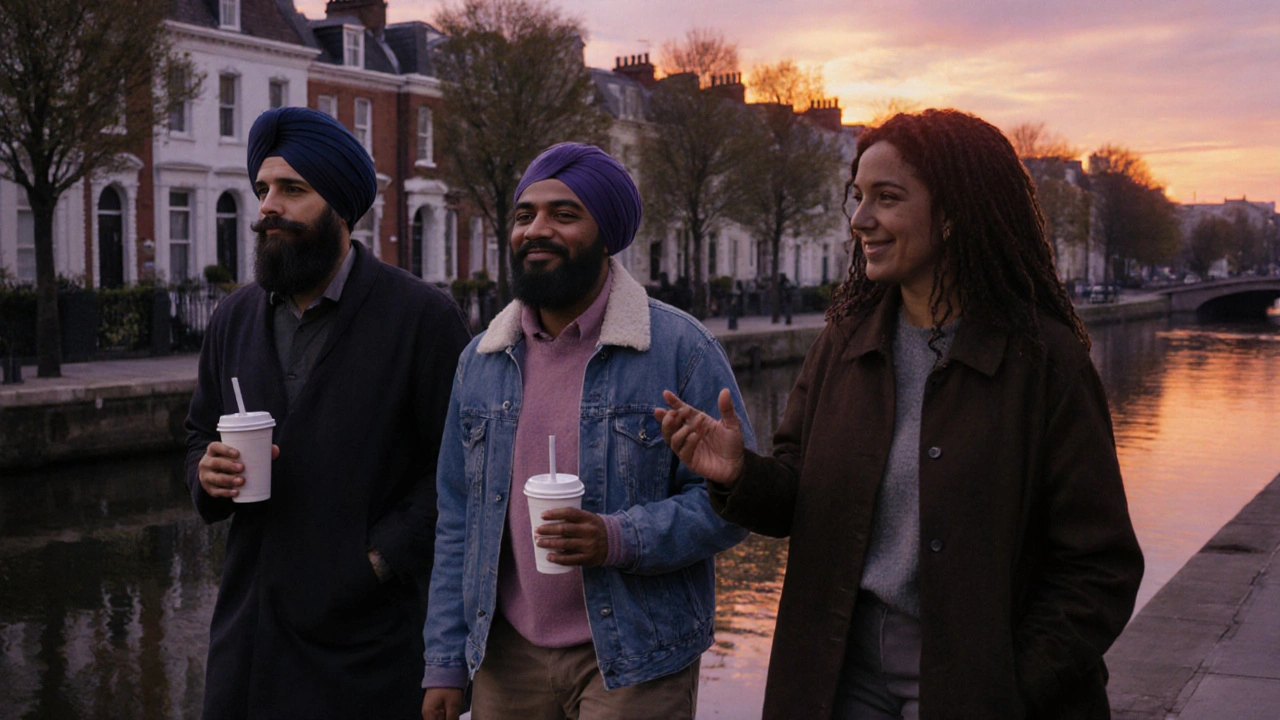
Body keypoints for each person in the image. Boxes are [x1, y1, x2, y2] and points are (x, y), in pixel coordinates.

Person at [657, 109, 1144, 719]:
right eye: (857, 197)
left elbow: (1100, 566)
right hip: (841, 666)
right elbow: (797, 496)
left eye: (886, 198)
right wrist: (738, 474)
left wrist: (1014, 684)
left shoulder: (1045, 362)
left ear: (953, 214)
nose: (861, 220)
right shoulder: (844, 339)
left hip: (975, 679)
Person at [421, 142, 752, 720]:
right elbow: (458, 518)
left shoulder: (680, 350)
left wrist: (616, 538)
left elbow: (730, 507)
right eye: (525, 215)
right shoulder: (481, 361)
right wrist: (445, 660)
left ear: (606, 238)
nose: (536, 229)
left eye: (564, 214)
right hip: (507, 657)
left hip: (636, 656)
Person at [185, 106, 471, 720]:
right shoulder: (233, 320)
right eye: (262, 189)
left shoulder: (421, 319)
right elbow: (196, 436)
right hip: (248, 644)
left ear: (341, 206)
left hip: (366, 652)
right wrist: (205, 475)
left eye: (293, 189)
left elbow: (461, 474)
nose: (267, 206)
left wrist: (374, 562)